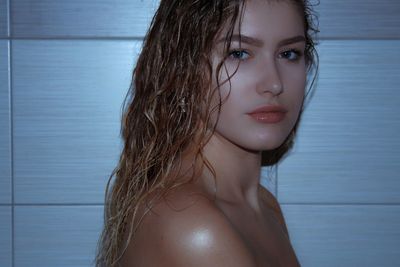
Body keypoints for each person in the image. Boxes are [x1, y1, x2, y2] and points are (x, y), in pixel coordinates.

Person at [95, 0, 318, 266]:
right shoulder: (194, 225)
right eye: (239, 53)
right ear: (182, 69)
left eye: (289, 53)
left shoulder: (264, 205)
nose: (274, 83)